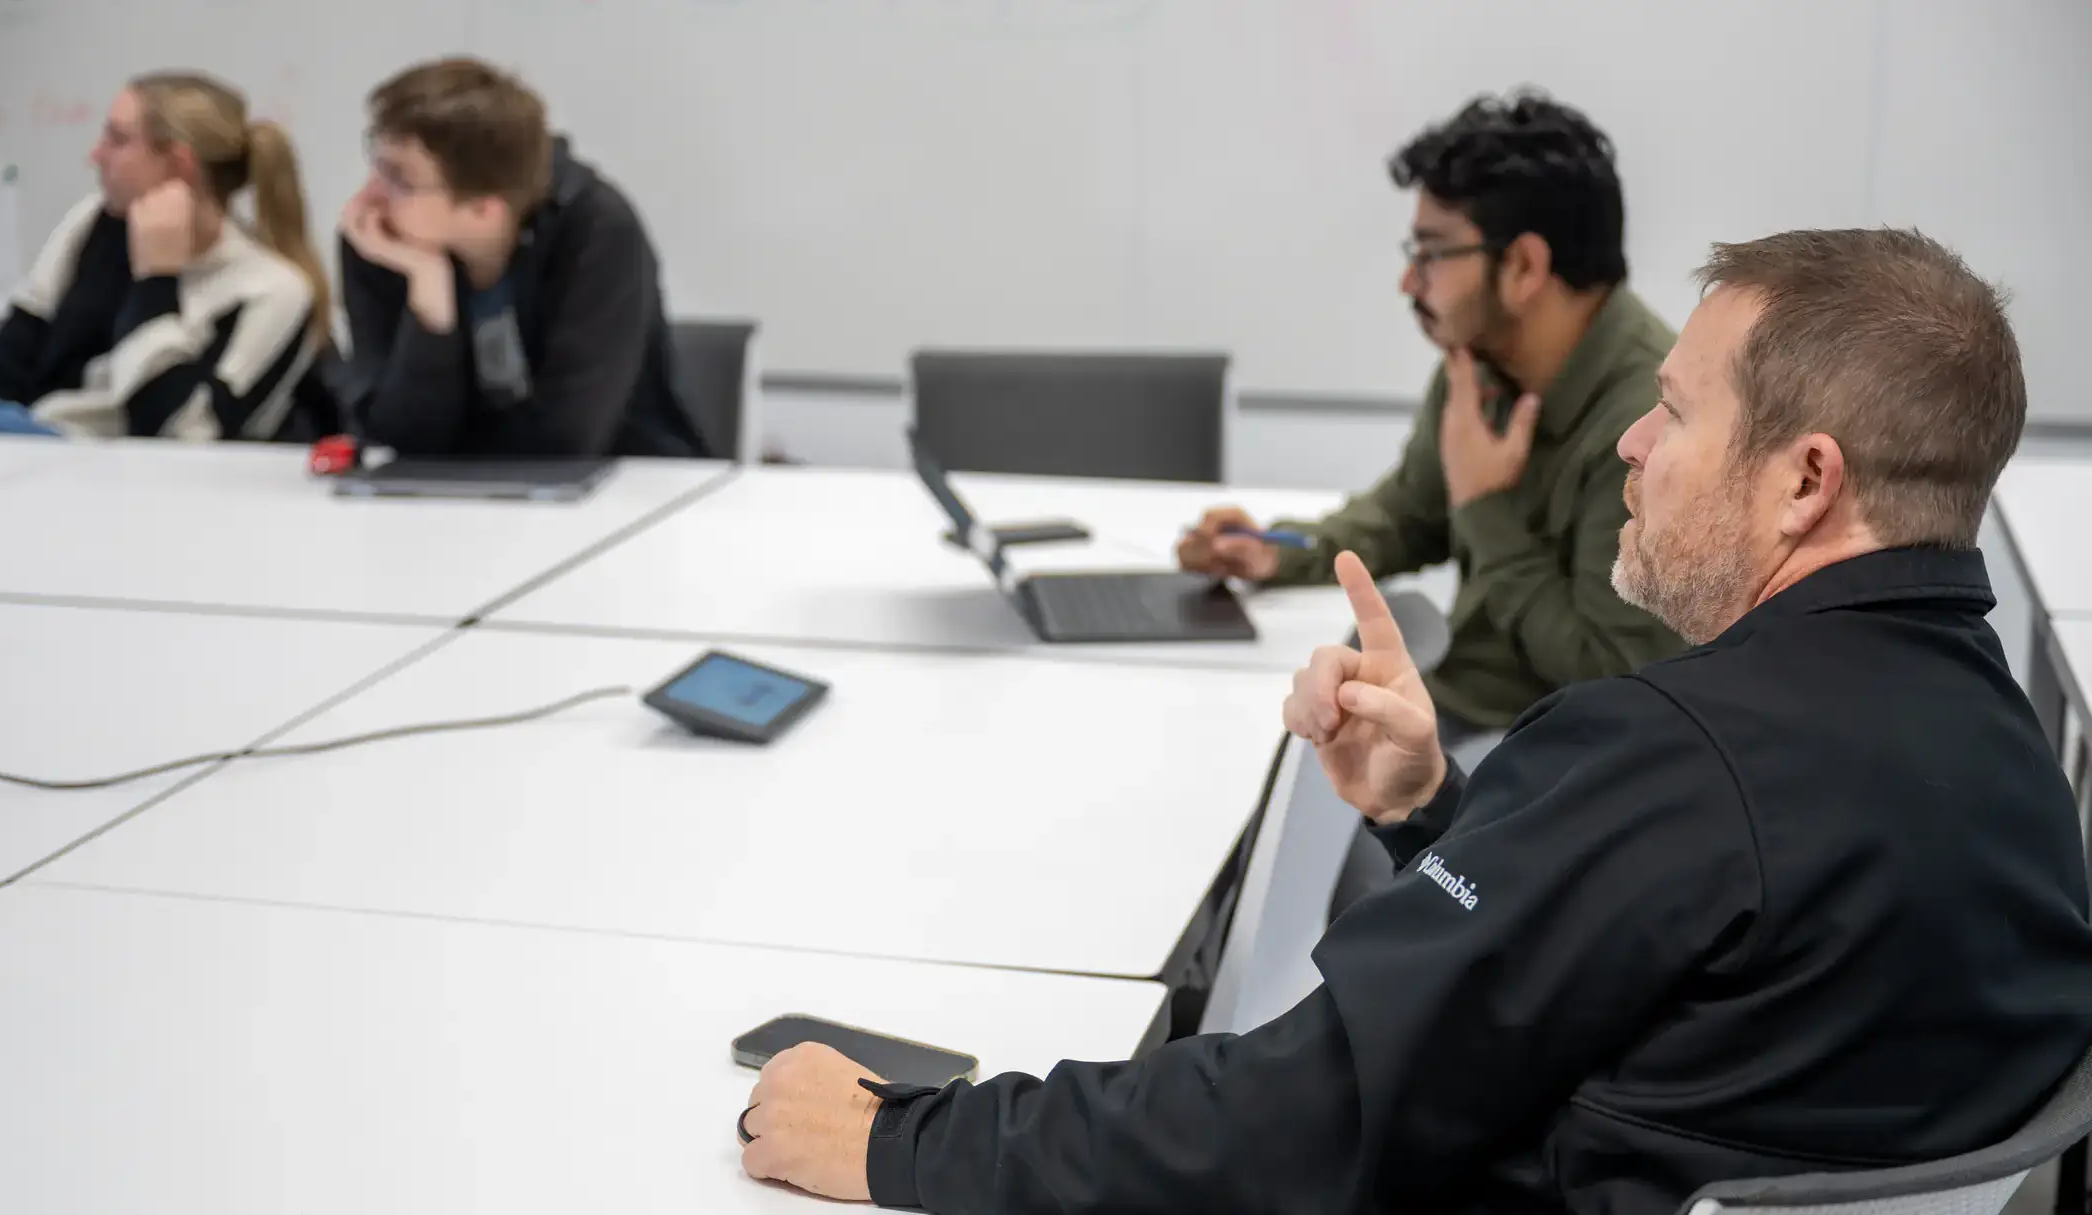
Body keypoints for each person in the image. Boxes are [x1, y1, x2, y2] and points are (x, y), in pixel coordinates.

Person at [731, 228, 2092, 1214]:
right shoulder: (2010, 755)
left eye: (1672, 413)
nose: (1631, 443)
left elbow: (1292, 1118)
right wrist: (1432, 808)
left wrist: (898, 1136)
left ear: (1805, 480)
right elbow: (1654, 949)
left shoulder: (1668, 751)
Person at [1178, 91, 1684, 745]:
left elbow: (1611, 673)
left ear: (1524, 266)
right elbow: (1405, 515)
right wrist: (1277, 550)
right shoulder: (1482, 359)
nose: (1409, 283)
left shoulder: (1651, 421)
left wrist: (1484, 503)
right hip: (1450, 703)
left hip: (1538, 751)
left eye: (1432, 254)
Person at [336, 57, 707, 459]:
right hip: (452, 496)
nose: (371, 194)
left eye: (399, 180)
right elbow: (399, 437)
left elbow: (566, 440)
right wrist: (430, 304)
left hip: (625, 483)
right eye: (376, 163)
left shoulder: (598, 230)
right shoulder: (383, 243)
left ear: (484, 210)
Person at [0, 72, 328, 440]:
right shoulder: (93, 221)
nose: (96, 155)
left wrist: (156, 281)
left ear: (178, 165)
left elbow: (190, 432)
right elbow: (2, 367)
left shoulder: (273, 288)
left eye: (117, 140)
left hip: (109, 463)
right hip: (27, 449)